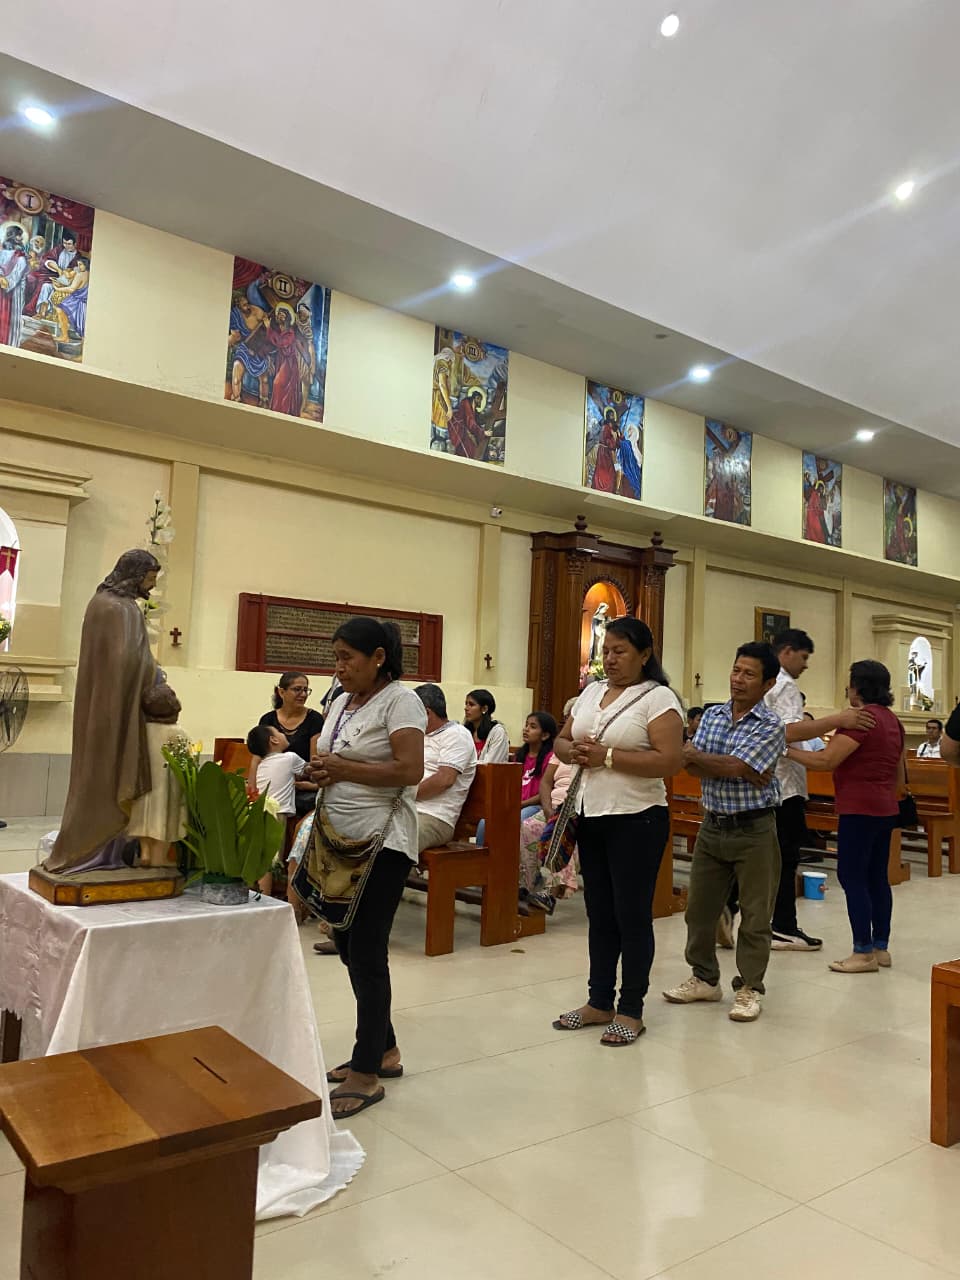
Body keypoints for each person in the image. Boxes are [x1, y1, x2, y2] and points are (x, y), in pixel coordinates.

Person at [309, 617, 426, 1117]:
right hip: (340, 836)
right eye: (335, 657)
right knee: (344, 941)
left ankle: (366, 1072)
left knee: (367, 949)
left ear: (378, 657)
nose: (339, 667)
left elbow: (410, 769)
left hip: (383, 841)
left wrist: (343, 769)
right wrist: (321, 770)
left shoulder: (401, 701)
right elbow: (335, 758)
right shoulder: (341, 701)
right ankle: (384, 1048)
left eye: (347, 658)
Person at [551, 618, 683, 1046]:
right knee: (600, 913)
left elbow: (669, 761)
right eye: (606, 650)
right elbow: (561, 741)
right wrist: (573, 750)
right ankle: (599, 1001)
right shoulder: (592, 692)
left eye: (620, 651)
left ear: (644, 655)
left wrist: (607, 757)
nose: (609, 658)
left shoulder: (658, 698)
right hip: (592, 814)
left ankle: (631, 1010)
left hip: (637, 817)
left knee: (632, 915)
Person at [663, 642, 784, 1023]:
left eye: (749, 674)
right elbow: (693, 766)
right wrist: (736, 766)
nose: (738, 679)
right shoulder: (713, 715)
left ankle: (750, 987)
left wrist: (721, 762)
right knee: (698, 911)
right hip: (713, 826)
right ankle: (704, 978)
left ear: (768, 683)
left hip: (754, 829)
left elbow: (731, 765)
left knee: (756, 915)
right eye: (736, 670)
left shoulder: (771, 724)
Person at [44, 549, 161, 873]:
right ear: (135, 576)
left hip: (99, 706)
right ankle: (95, 853)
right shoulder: (122, 609)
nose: (151, 586)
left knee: (94, 776)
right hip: (116, 711)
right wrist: (155, 673)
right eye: (150, 579)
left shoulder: (99, 603)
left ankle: (101, 854)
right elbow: (129, 660)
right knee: (109, 776)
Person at [786, 660, 905, 973]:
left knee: (852, 877)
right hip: (885, 808)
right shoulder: (893, 720)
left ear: (858, 688)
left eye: (850, 684)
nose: (848, 690)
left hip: (859, 808)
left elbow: (827, 760)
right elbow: (900, 773)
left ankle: (862, 952)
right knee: (877, 878)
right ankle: (880, 947)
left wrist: (784, 751)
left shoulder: (860, 720)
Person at [127, 680, 190, 868]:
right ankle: (158, 858)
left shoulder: (141, 731)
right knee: (164, 821)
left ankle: (145, 852)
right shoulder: (177, 732)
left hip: (143, 782)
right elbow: (187, 759)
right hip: (167, 786)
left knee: (142, 819)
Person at [476, 710, 557, 847]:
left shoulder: (550, 758)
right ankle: (482, 857)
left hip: (535, 805)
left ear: (545, 735)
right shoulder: (519, 755)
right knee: (485, 822)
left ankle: (510, 857)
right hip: (516, 804)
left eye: (533, 727)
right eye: (526, 725)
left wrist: (521, 804)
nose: (526, 729)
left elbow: (544, 793)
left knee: (517, 820)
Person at [249, 672, 324, 816]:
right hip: (274, 784)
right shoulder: (268, 719)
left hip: (302, 786)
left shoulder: (314, 719)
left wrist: (312, 785)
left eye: (306, 690)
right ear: (282, 692)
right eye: (297, 689)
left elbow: (315, 761)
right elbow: (257, 757)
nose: (303, 694)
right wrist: (252, 789)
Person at [414, 683, 476, 851]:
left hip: (435, 817)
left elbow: (444, 780)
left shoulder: (457, 735)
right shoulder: (420, 735)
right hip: (407, 809)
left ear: (427, 712)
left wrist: (405, 794)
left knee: (396, 839)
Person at [247, 724, 307, 817]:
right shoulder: (290, 757)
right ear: (274, 740)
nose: (283, 734)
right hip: (279, 811)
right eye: (279, 732)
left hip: (259, 810)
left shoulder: (261, 765)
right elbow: (309, 771)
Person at [0, 224, 28, 350]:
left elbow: (13, 280)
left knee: (9, 324)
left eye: (21, 236)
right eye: (18, 236)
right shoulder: (2, 253)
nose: (20, 239)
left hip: (12, 295)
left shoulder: (21, 259)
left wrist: (4, 280)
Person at [464, 688, 510, 762]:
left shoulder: (497, 732)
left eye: (471, 705)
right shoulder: (465, 732)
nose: (466, 708)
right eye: (466, 704)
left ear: (484, 709)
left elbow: (490, 764)